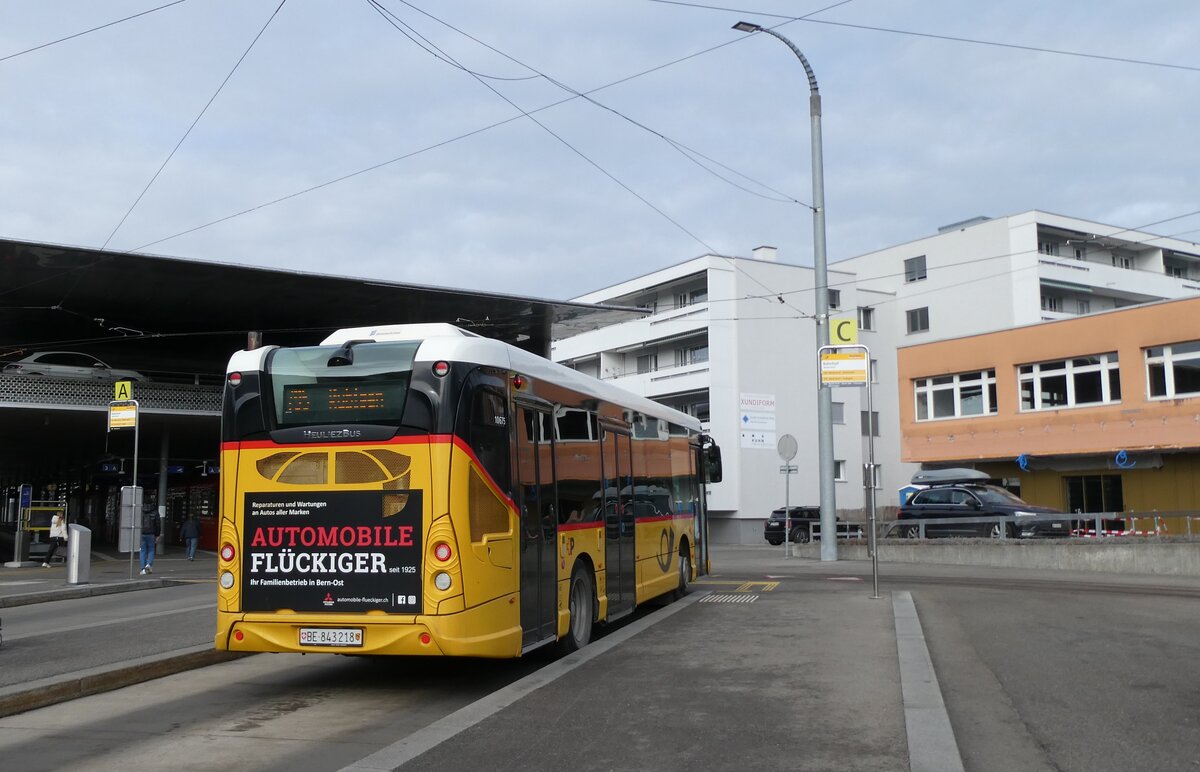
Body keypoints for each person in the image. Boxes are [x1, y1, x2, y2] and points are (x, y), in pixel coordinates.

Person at [139, 505, 160, 575]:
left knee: (142, 550)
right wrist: (157, 535)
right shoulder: (155, 512)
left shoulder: (140, 511)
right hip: (151, 534)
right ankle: (148, 564)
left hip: (142, 533)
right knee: (151, 549)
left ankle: (142, 569)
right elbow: (158, 524)